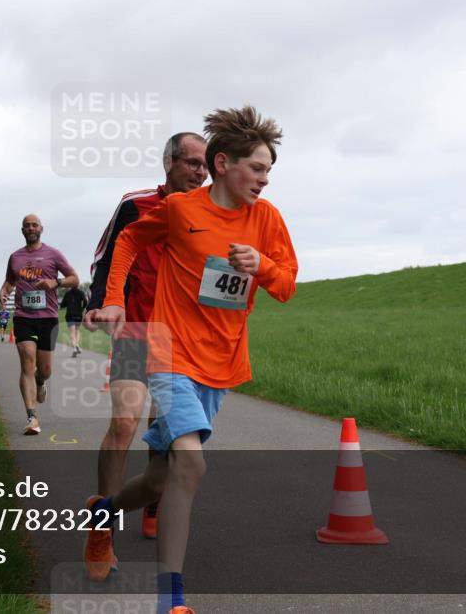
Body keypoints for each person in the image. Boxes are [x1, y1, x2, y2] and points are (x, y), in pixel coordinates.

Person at [83, 105, 298, 614]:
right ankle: (170, 598)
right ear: (224, 163)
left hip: (220, 363)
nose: (266, 180)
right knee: (188, 462)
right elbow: (129, 240)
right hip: (162, 348)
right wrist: (111, 298)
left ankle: (104, 513)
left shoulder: (267, 219)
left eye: (270, 170)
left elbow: (287, 285)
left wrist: (262, 264)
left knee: (163, 476)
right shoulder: (179, 211)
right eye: (258, 168)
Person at [85, 132, 208, 541]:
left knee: (164, 431)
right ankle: (104, 527)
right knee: (124, 421)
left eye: (206, 165)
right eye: (193, 163)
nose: (201, 172)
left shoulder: (208, 212)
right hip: (136, 328)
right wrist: (102, 301)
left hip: (181, 338)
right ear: (169, 162)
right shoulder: (135, 204)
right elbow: (106, 256)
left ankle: (153, 501)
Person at [0, 214, 79, 436]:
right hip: (24, 317)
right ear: (22, 230)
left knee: (45, 369)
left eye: (34, 225)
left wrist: (57, 282)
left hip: (48, 317)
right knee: (27, 360)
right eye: (27, 225)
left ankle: (40, 382)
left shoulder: (53, 254)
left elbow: (75, 278)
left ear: (41, 228)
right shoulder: (15, 257)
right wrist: (4, 292)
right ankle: (32, 417)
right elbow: (10, 281)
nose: (31, 228)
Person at [61, 286, 89, 357]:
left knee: (72, 332)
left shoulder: (68, 293)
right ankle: (77, 346)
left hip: (70, 315)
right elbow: (85, 301)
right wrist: (82, 308)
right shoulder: (81, 292)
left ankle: (74, 348)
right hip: (78, 315)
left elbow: (63, 304)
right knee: (77, 330)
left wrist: (65, 305)